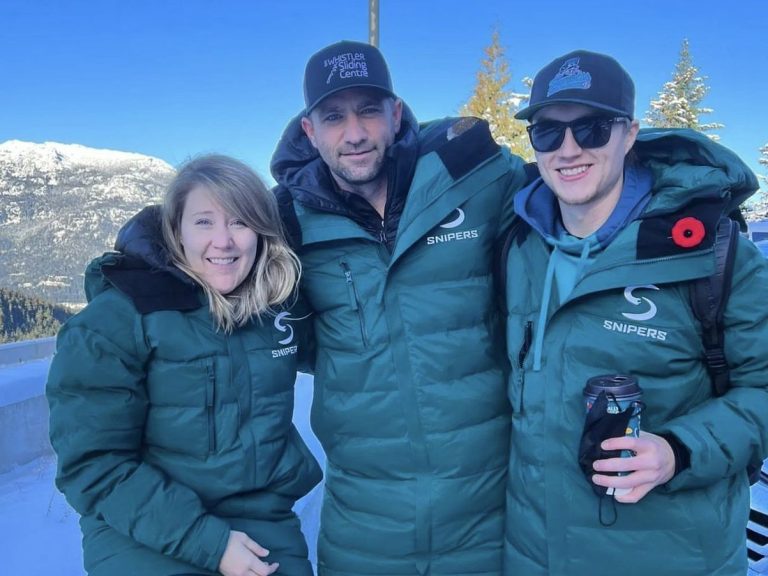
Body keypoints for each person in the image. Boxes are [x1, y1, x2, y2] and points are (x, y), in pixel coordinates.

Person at [502, 49, 768, 576]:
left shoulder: (716, 254)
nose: (568, 149)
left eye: (593, 128)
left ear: (630, 134)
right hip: (533, 554)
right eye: (548, 132)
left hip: (672, 557)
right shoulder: (516, 244)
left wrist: (679, 450)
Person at [270, 40, 528, 575]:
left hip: (490, 511)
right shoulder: (286, 222)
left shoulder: (478, 178)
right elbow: (210, 266)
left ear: (396, 113)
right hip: (365, 524)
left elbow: (581, 190)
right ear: (310, 131)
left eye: (369, 110)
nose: (355, 132)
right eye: (334, 116)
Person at [47, 155, 322, 576]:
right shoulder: (118, 320)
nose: (224, 241)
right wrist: (209, 544)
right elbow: (94, 464)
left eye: (240, 221)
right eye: (204, 222)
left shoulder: (276, 309)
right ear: (175, 230)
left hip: (261, 519)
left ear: (262, 232)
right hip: (144, 528)